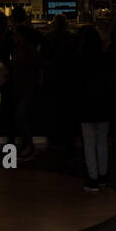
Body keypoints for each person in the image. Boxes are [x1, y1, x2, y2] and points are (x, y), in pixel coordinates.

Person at [75, 25, 110, 190]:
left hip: (86, 105)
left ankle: (93, 178)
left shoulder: (80, 58)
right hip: (103, 103)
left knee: (89, 143)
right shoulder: (105, 57)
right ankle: (103, 175)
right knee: (102, 141)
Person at [41, 14, 78, 154]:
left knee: (53, 112)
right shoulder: (73, 38)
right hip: (69, 80)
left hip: (52, 80)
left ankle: (55, 140)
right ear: (67, 24)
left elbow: (43, 58)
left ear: (55, 24)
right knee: (67, 113)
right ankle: (68, 141)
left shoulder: (48, 38)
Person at [6, 23, 43, 160]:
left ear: (21, 36)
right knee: (22, 117)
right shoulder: (26, 50)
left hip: (25, 89)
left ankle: (29, 146)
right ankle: (28, 146)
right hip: (25, 89)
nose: (13, 36)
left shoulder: (24, 50)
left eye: (15, 34)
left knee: (20, 117)